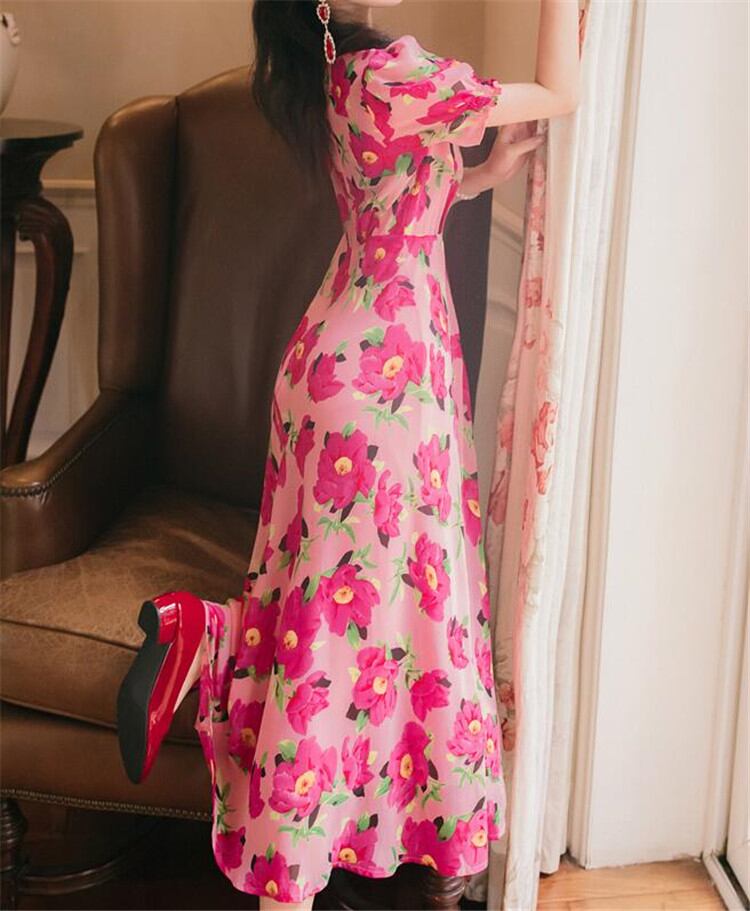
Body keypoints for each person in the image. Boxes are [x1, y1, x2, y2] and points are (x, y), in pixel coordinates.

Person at [116, 0, 581, 907]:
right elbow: (560, 94)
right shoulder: (393, 71)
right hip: (381, 389)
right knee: (357, 626)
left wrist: (481, 173)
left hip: (341, 368)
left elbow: (396, 197)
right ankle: (295, 868)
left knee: (319, 613)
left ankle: (200, 636)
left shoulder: (342, 71)